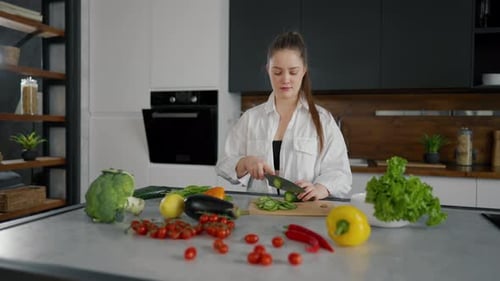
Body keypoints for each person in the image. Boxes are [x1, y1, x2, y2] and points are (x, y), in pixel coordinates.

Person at [216, 31, 352, 200]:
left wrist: (321, 188)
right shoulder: (250, 119)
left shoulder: (323, 120)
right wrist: (244, 162)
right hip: (259, 215)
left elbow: (341, 173)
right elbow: (223, 164)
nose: (285, 79)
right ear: (268, 70)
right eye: (277, 72)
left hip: (305, 216)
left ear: (304, 71)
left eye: (293, 72)